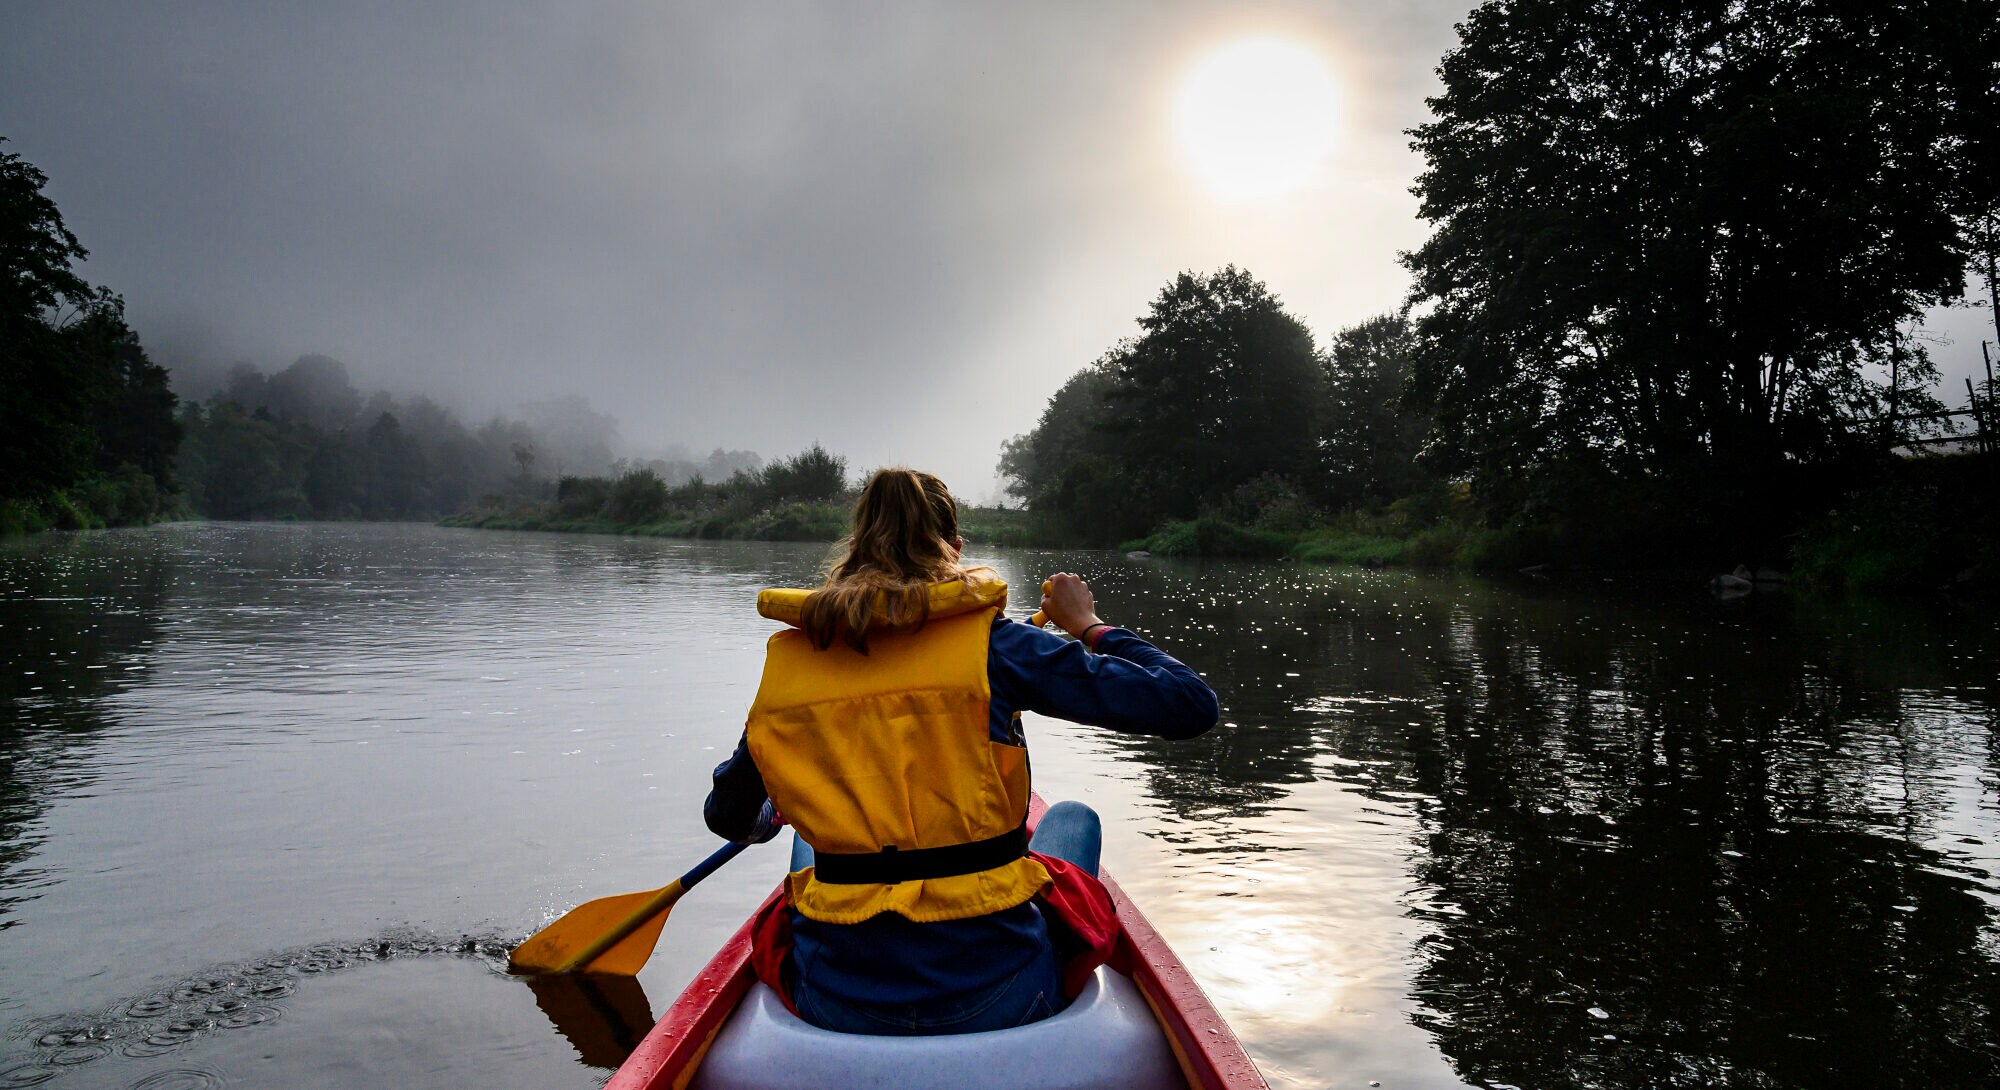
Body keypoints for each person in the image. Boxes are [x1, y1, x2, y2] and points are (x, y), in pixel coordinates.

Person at [704, 468, 1217, 1036]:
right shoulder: (1003, 647)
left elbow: (727, 817)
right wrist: (1088, 625)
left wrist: (774, 808)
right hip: (1000, 992)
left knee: (807, 834)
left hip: (834, 998)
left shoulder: (797, 657)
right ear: (954, 551)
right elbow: (1190, 704)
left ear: (856, 548)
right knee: (1074, 819)